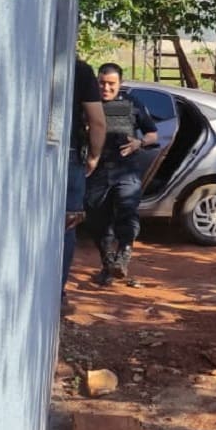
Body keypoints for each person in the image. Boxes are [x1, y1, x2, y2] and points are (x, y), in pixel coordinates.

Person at [85, 63, 159, 287]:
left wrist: (139, 142)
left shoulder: (132, 104)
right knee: (99, 221)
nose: (106, 88)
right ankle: (108, 265)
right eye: (102, 83)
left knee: (127, 212)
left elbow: (153, 135)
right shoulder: (87, 105)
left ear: (120, 84)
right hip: (96, 172)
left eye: (111, 84)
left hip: (126, 170)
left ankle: (124, 253)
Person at [63, 57, 106, 297]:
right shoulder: (79, 69)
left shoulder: (29, 56)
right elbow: (97, 122)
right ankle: (55, 295)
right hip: (69, 156)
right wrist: (94, 156)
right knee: (66, 225)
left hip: (25, 153)